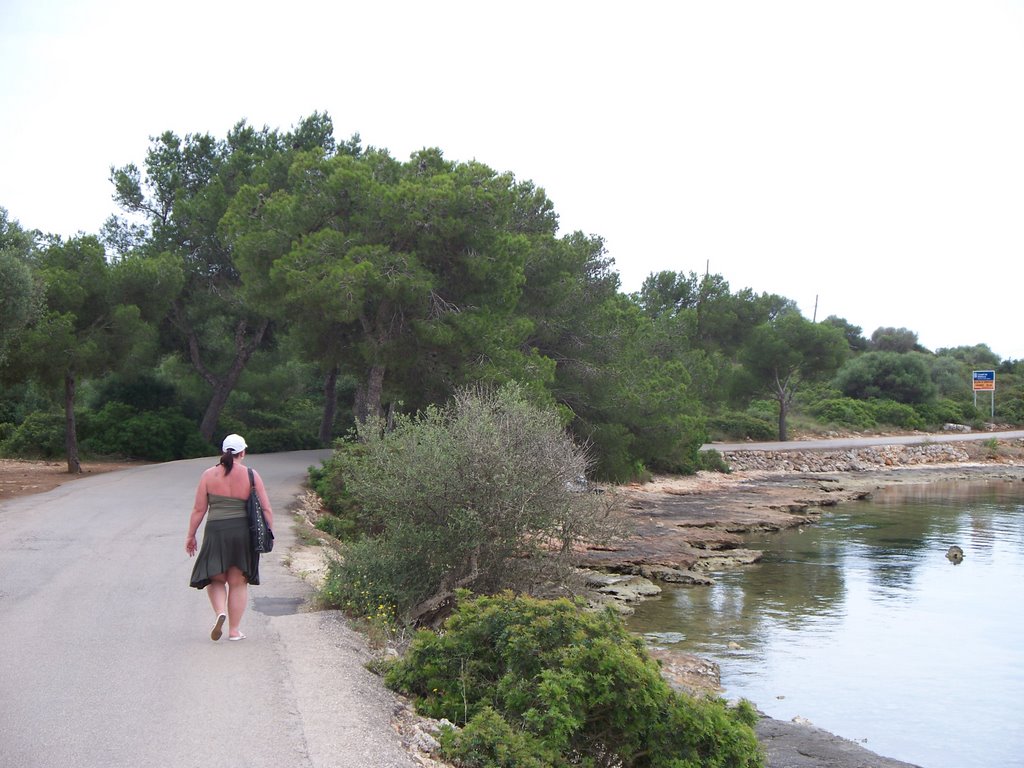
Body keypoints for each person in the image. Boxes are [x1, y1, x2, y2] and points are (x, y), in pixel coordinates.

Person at [186, 434, 273, 641]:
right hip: (243, 533)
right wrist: (269, 535)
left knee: (216, 578)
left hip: (216, 531)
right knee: (238, 582)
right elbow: (266, 509)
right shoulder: (251, 475)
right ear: (243, 452)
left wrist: (191, 535)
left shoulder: (208, 475)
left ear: (223, 451)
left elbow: (199, 509)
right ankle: (234, 631)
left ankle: (220, 613)